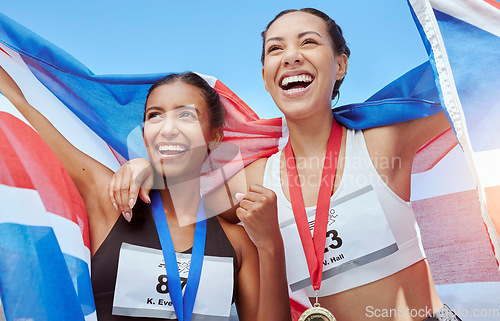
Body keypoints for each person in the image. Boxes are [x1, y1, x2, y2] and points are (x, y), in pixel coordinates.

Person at [109, 8, 462, 321]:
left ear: (340, 65)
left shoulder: (383, 143)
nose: (291, 56)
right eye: (276, 48)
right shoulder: (252, 181)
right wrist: (147, 170)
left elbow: (467, 86)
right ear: (265, 77)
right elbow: (179, 204)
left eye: (308, 42)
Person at [0, 68, 291, 321]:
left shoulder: (237, 243)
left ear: (214, 136)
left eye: (186, 115)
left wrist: (271, 246)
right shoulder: (110, 200)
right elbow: (23, 109)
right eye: (155, 116)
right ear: (143, 134)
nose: (168, 129)